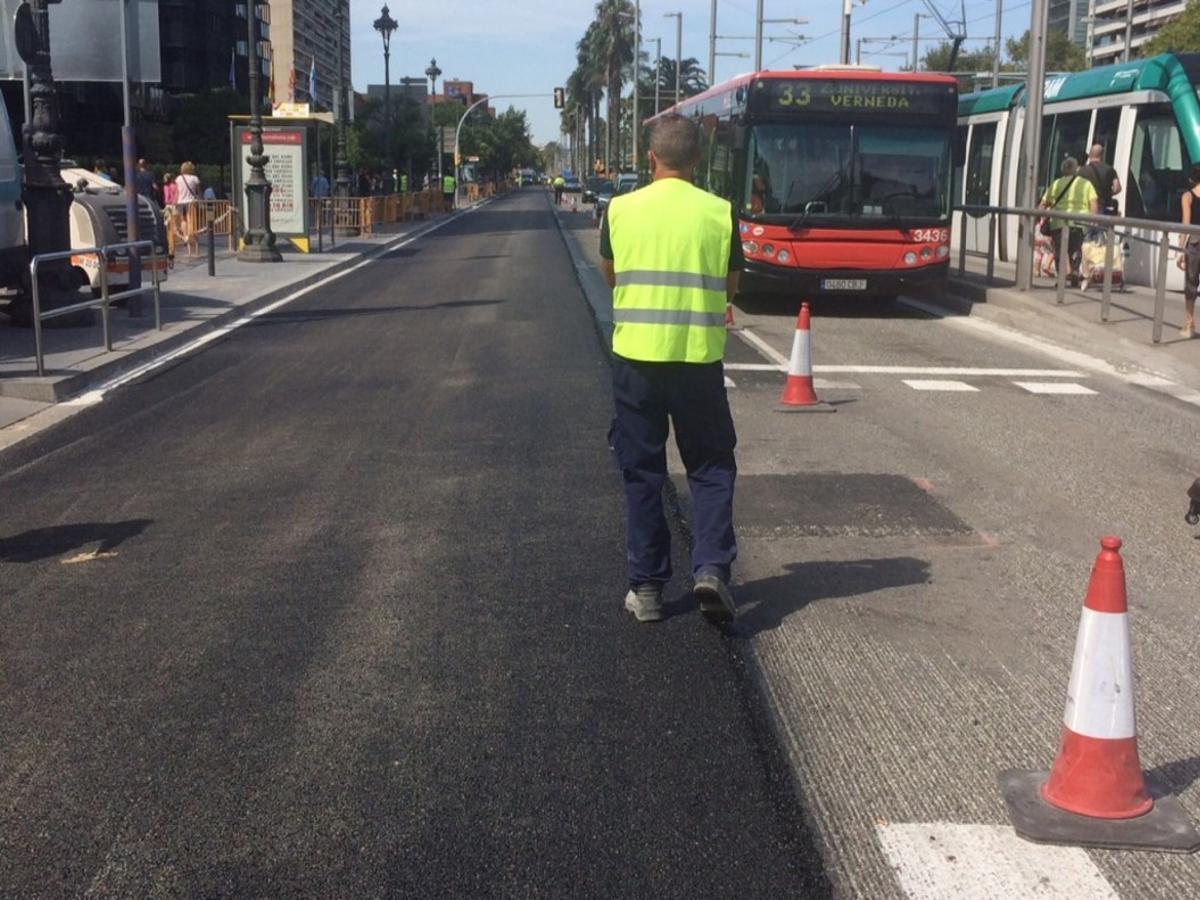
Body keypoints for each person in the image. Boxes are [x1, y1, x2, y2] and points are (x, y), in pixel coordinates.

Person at [599, 113, 743, 624]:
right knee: (710, 465)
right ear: (699, 161)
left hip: (636, 360)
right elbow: (730, 286)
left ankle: (648, 589)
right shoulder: (720, 213)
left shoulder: (620, 210)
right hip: (698, 361)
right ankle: (710, 569)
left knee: (642, 471)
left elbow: (612, 276)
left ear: (650, 157)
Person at [1040, 157, 1098, 287]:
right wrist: (1093, 219)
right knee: (1076, 249)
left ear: (1062, 170)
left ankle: (1063, 276)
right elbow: (1093, 203)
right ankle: (1075, 272)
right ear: (1076, 169)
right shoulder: (1086, 184)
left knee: (1061, 250)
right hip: (1080, 222)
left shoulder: (1056, 184)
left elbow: (1043, 204)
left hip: (1058, 223)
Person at [1176, 164, 1200, 339]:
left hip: (1195, 243)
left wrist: (1180, 249)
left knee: (1191, 284)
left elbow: (1186, 223)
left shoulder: (1188, 196)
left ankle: (1189, 323)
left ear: (1191, 179)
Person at [1080, 143, 1122, 215]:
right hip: (1103, 207)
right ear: (1102, 155)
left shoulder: (1082, 171)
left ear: (1090, 155)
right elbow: (1117, 188)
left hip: (1086, 207)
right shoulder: (1110, 170)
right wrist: (1107, 194)